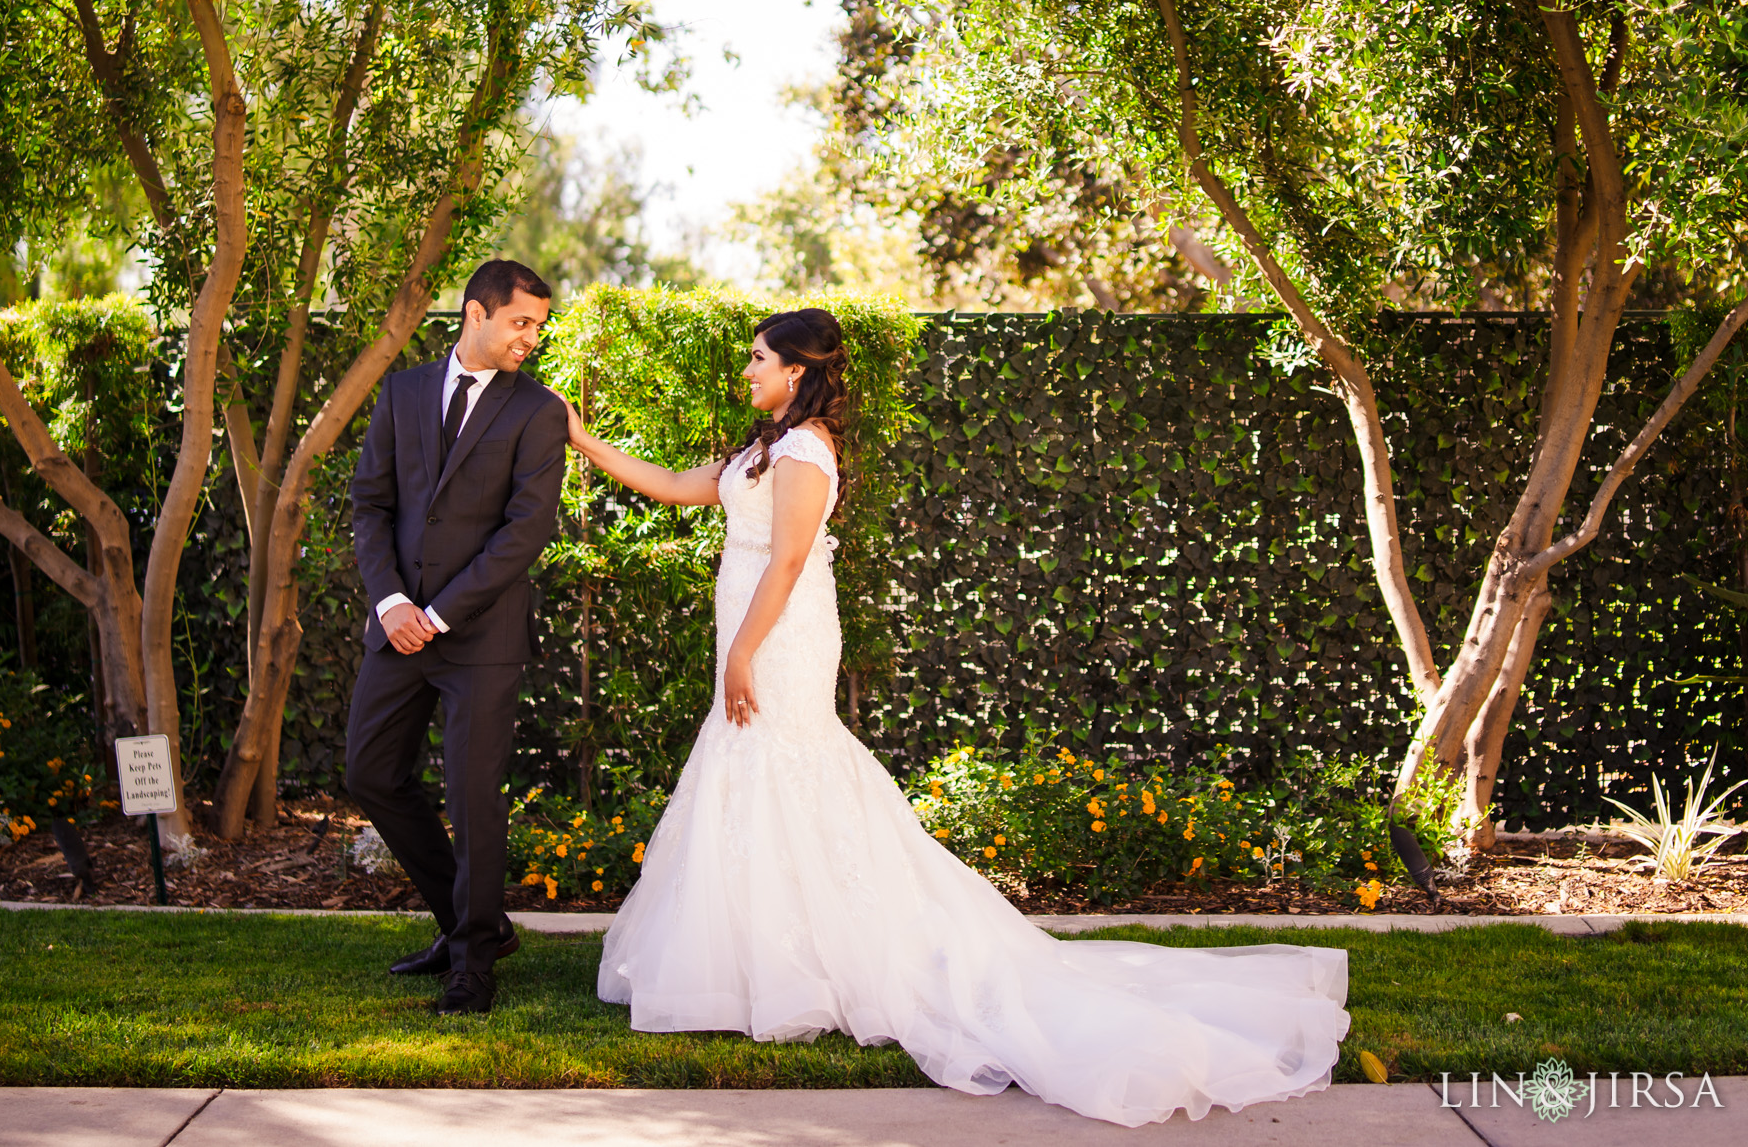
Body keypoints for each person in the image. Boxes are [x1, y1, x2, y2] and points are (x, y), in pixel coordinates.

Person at [562, 308, 1352, 1126]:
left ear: (795, 370)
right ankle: (769, 960)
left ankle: (823, 961)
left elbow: (790, 561)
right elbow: (673, 484)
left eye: (758, 358)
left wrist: (740, 655)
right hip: (755, 629)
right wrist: (582, 439)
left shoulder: (804, 451)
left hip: (781, 638)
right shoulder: (764, 447)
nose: (748, 370)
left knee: (784, 767)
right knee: (753, 777)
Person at [346, 259, 566, 1015]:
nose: (531, 337)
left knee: (473, 796)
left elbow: (525, 529)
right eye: (521, 322)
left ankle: (472, 963)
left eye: (538, 325)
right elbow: (370, 505)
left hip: (478, 635)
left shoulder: (537, 410)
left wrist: (438, 614)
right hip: (396, 625)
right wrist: (392, 603)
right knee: (370, 771)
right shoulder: (402, 391)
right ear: (477, 313)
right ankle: (472, 924)